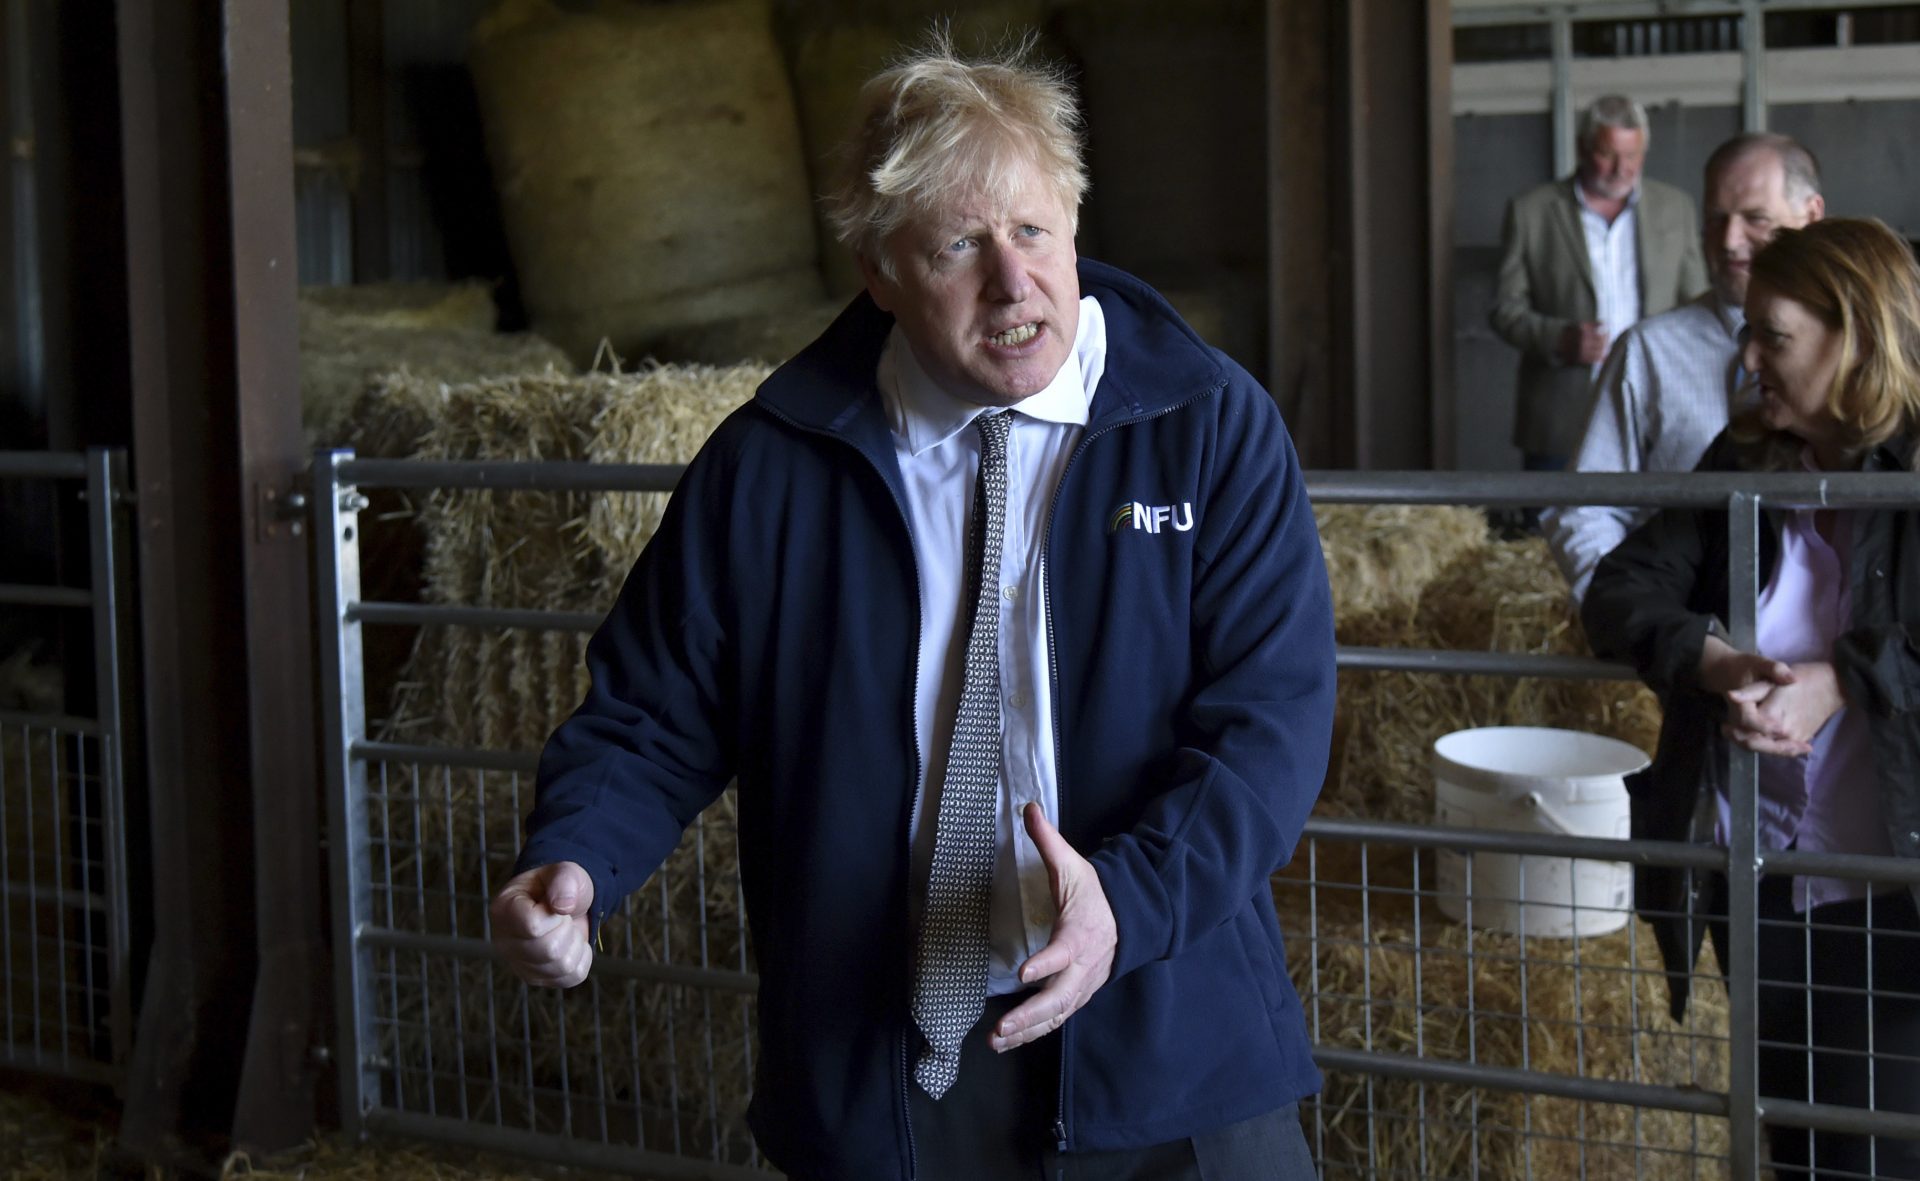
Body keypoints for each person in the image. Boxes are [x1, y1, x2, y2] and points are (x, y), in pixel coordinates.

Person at [487, 39, 1335, 1181]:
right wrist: (579, 854)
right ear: (879, 271)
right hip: (888, 1074)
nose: (1012, 280)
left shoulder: (1208, 427)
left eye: (1034, 232)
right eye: (957, 246)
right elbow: (652, 710)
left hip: (1171, 1037)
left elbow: (1268, 728)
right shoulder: (774, 465)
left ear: (1076, 224)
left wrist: (1124, 905)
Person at [1583, 217, 1920, 1178]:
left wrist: (1844, 684)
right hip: (1761, 884)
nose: (1748, 357)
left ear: (1852, 335)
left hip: (1894, 889)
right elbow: (1621, 588)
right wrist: (1712, 655)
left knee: (1881, 1153)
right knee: (1794, 1147)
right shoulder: (1745, 463)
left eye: (1772, 334)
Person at [1545, 133, 1825, 601]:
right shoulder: (1648, 352)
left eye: (1756, 219)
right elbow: (1583, 507)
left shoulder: (1867, 350)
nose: (1730, 242)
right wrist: (1643, 621)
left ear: (1812, 215)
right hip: (1687, 643)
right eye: (1716, 219)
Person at [1490, 94, 1709, 470]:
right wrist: (1560, 339)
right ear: (1581, 148)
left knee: (1657, 524)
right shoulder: (1531, 211)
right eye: (1608, 154)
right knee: (1549, 526)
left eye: (1633, 155)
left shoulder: (1676, 208)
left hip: (1658, 408)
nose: (1621, 169)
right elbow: (1504, 309)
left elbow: (1698, 304)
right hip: (1561, 416)